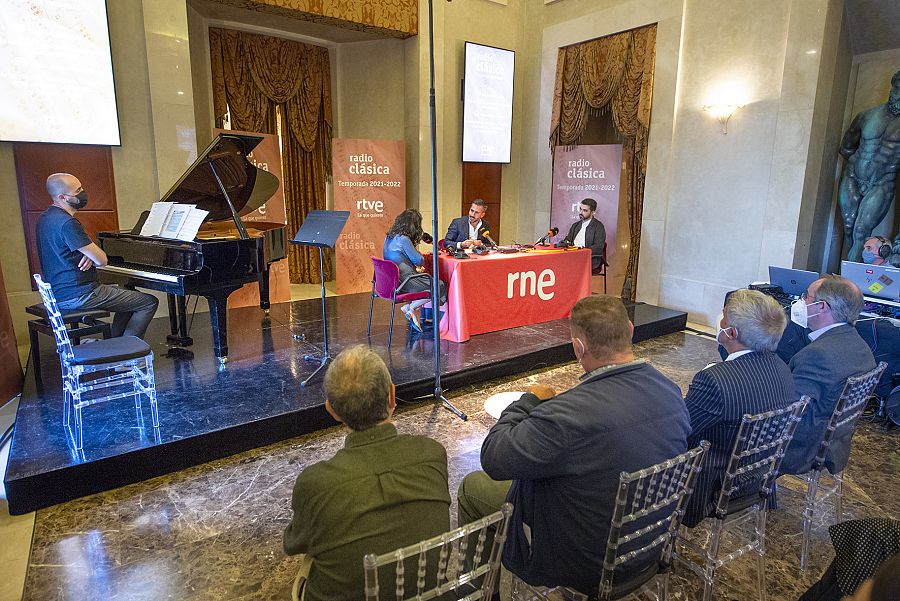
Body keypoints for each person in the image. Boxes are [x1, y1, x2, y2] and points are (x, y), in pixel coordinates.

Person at [456, 295, 690, 593]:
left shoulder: (566, 416)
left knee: (472, 488)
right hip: (650, 545)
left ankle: (476, 595)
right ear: (630, 330)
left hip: (581, 561)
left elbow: (494, 456)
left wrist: (527, 401)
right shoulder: (671, 392)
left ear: (578, 347)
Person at [283, 345, 451, 601]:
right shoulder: (433, 454)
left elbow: (293, 543)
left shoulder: (315, 483)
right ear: (392, 396)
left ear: (331, 411)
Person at [682, 289, 795, 527]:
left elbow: (681, 430)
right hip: (759, 477)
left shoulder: (715, 380)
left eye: (723, 316)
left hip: (709, 488)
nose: (719, 320)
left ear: (732, 333)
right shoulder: (782, 368)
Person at [36, 173, 158, 339]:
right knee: (148, 302)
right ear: (62, 197)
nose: (83, 193)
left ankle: (117, 345)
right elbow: (102, 260)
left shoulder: (46, 218)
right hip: (79, 294)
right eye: (77, 191)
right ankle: (130, 349)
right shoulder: (68, 223)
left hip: (59, 292)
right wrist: (94, 255)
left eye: (81, 188)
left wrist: (89, 254)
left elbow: (71, 250)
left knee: (129, 295)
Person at [779, 275, 877, 475]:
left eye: (806, 296)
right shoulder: (860, 346)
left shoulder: (817, 354)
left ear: (822, 306)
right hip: (834, 444)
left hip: (799, 450)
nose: (801, 302)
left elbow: (787, 411)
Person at [838, 69, 900, 262]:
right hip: (853, 176)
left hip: (882, 183)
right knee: (848, 226)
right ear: (892, 87)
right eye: (898, 89)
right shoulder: (866, 116)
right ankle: (848, 271)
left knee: (861, 229)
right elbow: (846, 146)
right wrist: (860, 166)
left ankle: (849, 278)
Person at [383, 208, 446, 332]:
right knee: (439, 285)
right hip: (407, 281)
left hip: (394, 281)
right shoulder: (404, 239)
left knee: (430, 283)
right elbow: (419, 261)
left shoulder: (390, 236)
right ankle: (411, 307)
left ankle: (411, 309)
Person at [561, 198, 606, 271]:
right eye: (580, 209)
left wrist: (582, 251)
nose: (581, 212)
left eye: (585, 210)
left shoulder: (598, 226)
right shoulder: (575, 225)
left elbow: (598, 247)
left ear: (593, 212)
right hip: (573, 256)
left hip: (590, 258)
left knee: (570, 267)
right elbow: (568, 240)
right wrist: (564, 243)